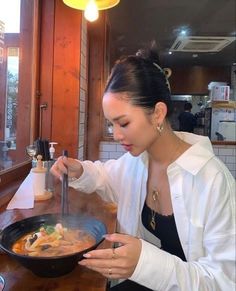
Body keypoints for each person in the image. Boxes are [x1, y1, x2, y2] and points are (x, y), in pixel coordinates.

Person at [51, 43, 235, 291]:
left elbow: (225, 281)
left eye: (123, 123)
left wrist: (145, 263)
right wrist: (79, 170)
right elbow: (105, 176)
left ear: (158, 114)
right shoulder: (138, 161)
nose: (116, 135)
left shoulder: (212, 179)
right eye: (110, 125)